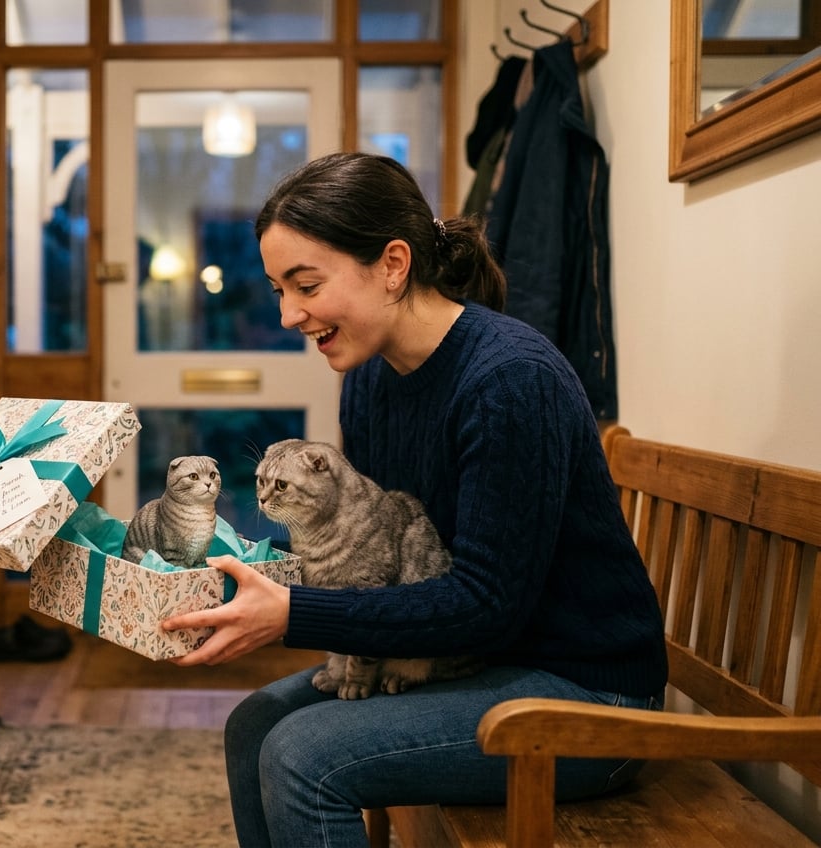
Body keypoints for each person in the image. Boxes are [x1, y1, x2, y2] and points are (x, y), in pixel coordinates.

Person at [161, 152, 668, 848]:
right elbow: (364, 543)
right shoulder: (370, 378)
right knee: (253, 726)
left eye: (305, 285)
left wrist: (292, 614)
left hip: (585, 696)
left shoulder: (510, 382)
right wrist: (218, 563)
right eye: (279, 289)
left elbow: (487, 605)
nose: (287, 314)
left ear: (393, 265)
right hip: (483, 662)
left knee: (301, 757)